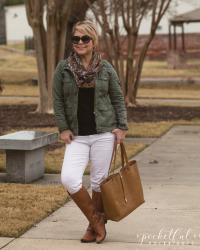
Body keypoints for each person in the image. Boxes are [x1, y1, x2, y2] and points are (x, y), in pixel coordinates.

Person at [52, 20, 128, 244]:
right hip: (76, 135)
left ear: (93, 42)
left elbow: (117, 98)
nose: (80, 43)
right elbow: (57, 101)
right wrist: (63, 128)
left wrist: (121, 126)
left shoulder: (106, 68)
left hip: (104, 132)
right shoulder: (63, 68)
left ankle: (92, 228)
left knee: (98, 182)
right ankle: (97, 220)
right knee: (69, 178)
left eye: (85, 38)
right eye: (76, 39)